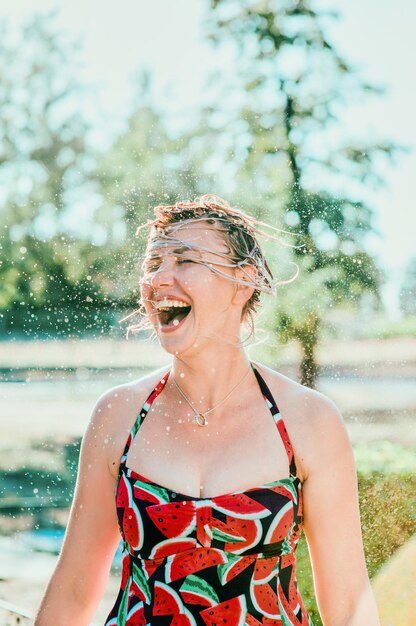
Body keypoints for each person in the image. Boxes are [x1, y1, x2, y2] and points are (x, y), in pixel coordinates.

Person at [34, 194, 381, 626]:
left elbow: (349, 603)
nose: (159, 278)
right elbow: (72, 591)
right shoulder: (118, 414)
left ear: (244, 281)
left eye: (184, 260)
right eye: (154, 263)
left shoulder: (310, 421)